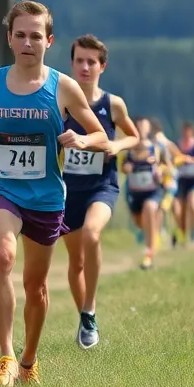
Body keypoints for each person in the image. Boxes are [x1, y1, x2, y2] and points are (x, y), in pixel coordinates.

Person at [0, 0, 109, 387]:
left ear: (49, 40)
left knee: (35, 286)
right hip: (0, 189)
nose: (28, 43)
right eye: (20, 35)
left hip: (45, 197)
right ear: (9, 39)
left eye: (36, 36)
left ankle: (28, 360)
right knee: (4, 255)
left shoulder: (65, 87)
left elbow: (103, 138)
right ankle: (6, 356)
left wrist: (81, 138)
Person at [58, 35, 139, 350]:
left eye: (92, 61)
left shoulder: (112, 104)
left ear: (102, 66)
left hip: (102, 186)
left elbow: (133, 136)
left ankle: (89, 309)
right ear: (72, 64)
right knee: (75, 261)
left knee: (92, 234)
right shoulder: (62, 102)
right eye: (80, 60)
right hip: (68, 190)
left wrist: (115, 144)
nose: (85, 67)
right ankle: (84, 318)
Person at [123, 119, 166, 270]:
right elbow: (123, 167)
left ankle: (148, 254)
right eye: (138, 126)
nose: (141, 129)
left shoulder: (156, 148)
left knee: (149, 209)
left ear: (149, 129)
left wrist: (162, 171)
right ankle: (152, 235)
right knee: (140, 222)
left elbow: (167, 166)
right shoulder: (129, 149)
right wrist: (126, 167)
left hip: (153, 191)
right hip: (135, 193)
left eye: (144, 126)